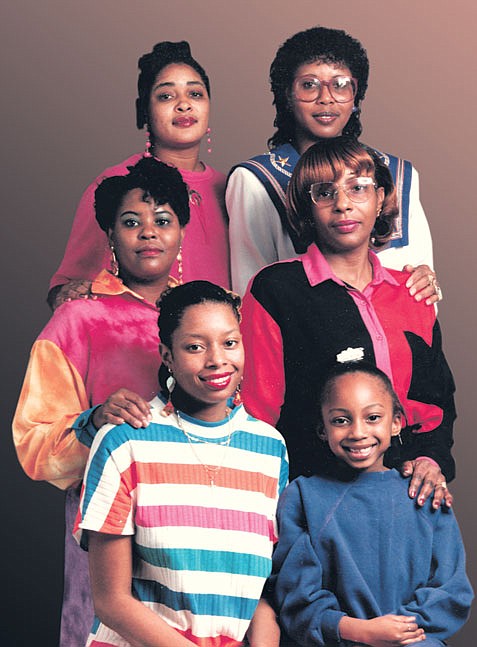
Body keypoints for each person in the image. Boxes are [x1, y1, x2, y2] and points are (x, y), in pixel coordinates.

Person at [13, 157, 190, 646]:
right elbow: (33, 445)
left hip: (196, 526)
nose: (148, 234)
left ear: (181, 233)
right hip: (110, 529)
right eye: (131, 223)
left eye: (163, 221)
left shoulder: (209, 311)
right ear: (110, 236)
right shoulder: (78, 320)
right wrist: (93, 422)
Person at [241, 137, 455, 507]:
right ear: (307, 208)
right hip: (310, 495)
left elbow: (436, 402)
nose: (343, 204)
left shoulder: (412, 292)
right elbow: (257, 412)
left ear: (381, 198)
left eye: (358, 188)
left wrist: (429, 461)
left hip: (407, 494)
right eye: (324, 192)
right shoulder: (277, 289)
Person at [73, 280, 288, 647]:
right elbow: (111, 601)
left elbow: (262, 591)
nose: (217, 359)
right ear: (167, 355)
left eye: (230, 342)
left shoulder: (270, 448)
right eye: (194, 347)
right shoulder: (125, 441)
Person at [227, 26, 440, 300]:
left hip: (395, 334)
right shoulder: (256, 180)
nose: (326, 98)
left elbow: (423, 281)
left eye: (340, 85)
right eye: (309, 85)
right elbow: (250, 295)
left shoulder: (398, 174)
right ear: (287, 96)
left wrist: (427, 282)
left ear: (355, 96)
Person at [270, 361, 473, 647]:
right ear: (323, 430)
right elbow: (297, 599)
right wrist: (361, 631)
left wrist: (398, 633)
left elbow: (451, 592)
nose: (358, 432)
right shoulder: (304, 497)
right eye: (341, 420)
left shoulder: (426, 494)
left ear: (396, 423)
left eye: (373, 417)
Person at [48, 40, 230, 309]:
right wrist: (68, 293)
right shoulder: (119, 183)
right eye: (166, 96)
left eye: (195, 94)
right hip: (141, 341)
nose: (183, 105)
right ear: (144, 110)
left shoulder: (230, 187)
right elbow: (65, 287)